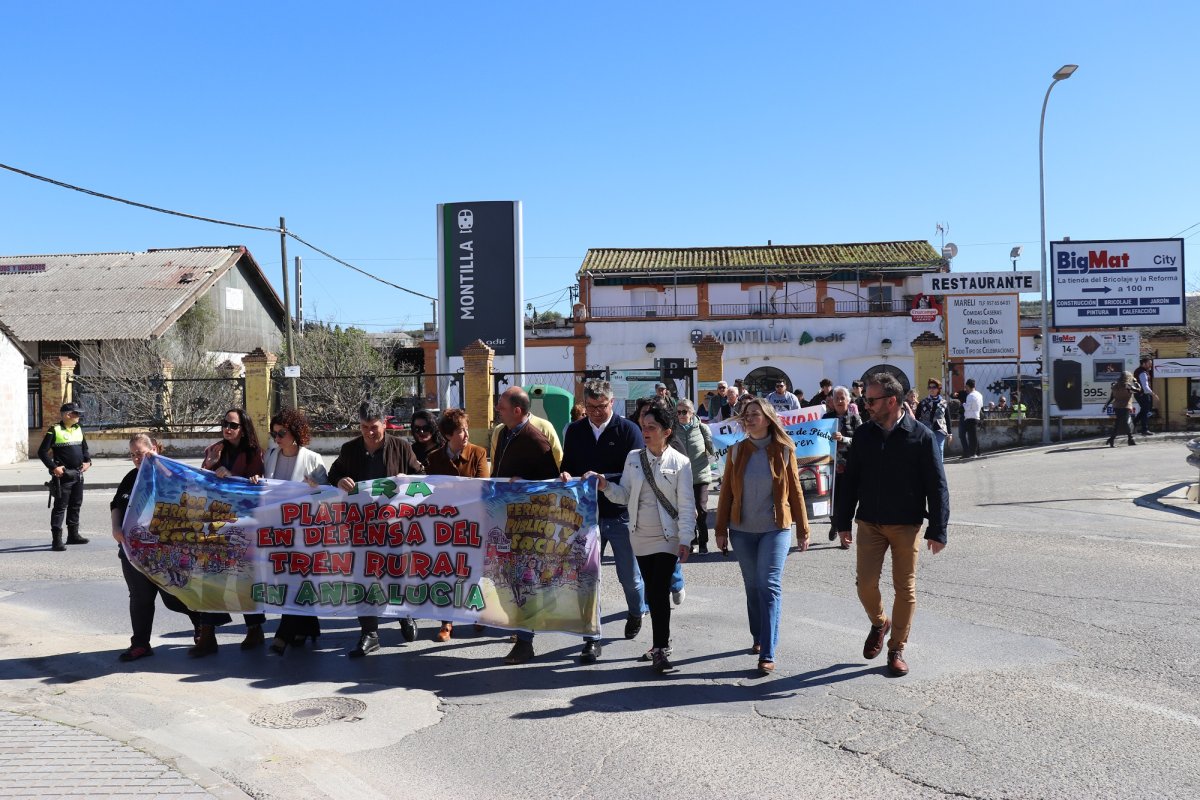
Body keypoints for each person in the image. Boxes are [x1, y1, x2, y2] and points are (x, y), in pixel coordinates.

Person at [835, 373, 949, 678]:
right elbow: (850, 480)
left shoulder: (921, 436)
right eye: (865, 399)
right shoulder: (863, 436)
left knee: (905, 588)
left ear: (891, 401)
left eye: (871, 400)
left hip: (906, 524)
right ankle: (879, 622)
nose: (866, 405)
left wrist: (938, 529)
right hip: (869, 521)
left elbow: (937, 485)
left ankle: (897, 648)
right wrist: (842, 520)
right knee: (866, 585)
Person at [592, 400, 696, 674]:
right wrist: (605, 486)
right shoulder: (633, 458)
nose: (646, 431)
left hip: (667, 536)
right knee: (652, 590)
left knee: (659, 591)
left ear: (667, 431)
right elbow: (625, 495)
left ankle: (661, 648)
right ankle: (660, 643)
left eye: (652, 427)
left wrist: (686, 538)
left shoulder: (681, 463)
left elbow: (686, 505)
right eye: (643, 426)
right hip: (639, 536)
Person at [714, 397, 810, 676]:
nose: (749, 418)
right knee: (752, 586)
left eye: (755, 414)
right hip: (741, 531)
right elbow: (726, 494)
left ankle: (768, 651)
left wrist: (803, 529)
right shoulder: (735, 451)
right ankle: (758, 636)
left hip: (775, 528)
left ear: (768, 419)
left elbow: (795, 491)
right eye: (746, 415)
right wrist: (720, 530)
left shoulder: (784, 450)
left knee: (769, 586)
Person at [556, 380, 646, 663]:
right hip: (585, 517)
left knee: (629, 576)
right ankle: (591, 638)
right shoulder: (574, 430)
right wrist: (566, 475)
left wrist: (603, 478)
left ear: (612, 403)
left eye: (602, 407)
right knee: (587, 578)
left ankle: (636, 609)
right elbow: (567, 464)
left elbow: (636, 473)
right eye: (591, 407)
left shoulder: (629, 431)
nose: (596, 413)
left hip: (620, 514)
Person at [328, 401, 425, 657]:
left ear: (384, 423)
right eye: (364, 427)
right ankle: (369, 633)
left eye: (374, 427)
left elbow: (422, 477)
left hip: (395, 527)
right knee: (363, 578)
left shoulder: (401, 447)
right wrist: (339, 479)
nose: (370, 432)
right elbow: (332, 474)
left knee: (399, 573)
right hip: (361, 528)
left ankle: (404, 614)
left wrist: (410, 480)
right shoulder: (349, 450)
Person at [111, 433, 198, 662]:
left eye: (140, 453)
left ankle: (203, 627)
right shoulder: (131, 477)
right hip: (133, 551)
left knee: (174, 596)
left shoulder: (171, 475)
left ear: (155, 449)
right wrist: (115, 527)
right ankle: (140, 644)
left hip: (166, 550)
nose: (137, 459)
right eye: (132, 455)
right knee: (140, 597)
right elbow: (116, 504)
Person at [492, 387, 562, 665]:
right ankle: (523, 630)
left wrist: (526, 486)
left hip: (527, 523)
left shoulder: (535, 438)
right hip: (505, 516)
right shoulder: (503, 432)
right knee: (509, 579)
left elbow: (552, 483)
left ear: (517, 410)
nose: (498, 410)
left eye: (502, 406)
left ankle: (525, 643)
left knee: (524, 580)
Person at [192, 408, 266, 657]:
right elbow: (201, 481)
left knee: (244, 577)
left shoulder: (254, 453)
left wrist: (234, 477)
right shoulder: (214, 449)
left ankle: (255, 629)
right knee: (210, 576)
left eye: (233, 425)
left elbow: (257, 486)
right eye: (225, 424)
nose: (228, 429)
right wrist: (212, 466)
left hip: (244, 523)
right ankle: (207, 635)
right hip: (216, 520)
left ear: (243, 428)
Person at [257, 409, 329, 656]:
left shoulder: (312, 459)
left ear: (295, 433)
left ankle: (283, 636)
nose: (277, 437)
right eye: (274, 433)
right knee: (287, 581)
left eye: (282, 433)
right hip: (277, 531)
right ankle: (309, 627)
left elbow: (328, 495)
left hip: (304, 531)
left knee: (297, 581)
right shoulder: (270, 456)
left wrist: (317, 487)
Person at [425, 408, 489, 642]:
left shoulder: (478, 453)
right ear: (448, 434)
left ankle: (478, 613)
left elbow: (481, 486)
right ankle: (447, 622)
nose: (466, 434)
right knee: (447, 573)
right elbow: (430, 492)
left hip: (473, 524)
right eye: (461, 430)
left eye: (467, 428)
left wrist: (450, 489)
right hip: (445, 526)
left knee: (473, 572)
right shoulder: (434, 458)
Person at [38, 402, 92, 551]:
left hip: (78, 474)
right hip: (63, 476)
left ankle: (73, 536)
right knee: (60, 508)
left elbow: (84, 448)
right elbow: (42, 452)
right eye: (76, 413)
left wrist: (88, 462)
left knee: (76, 504)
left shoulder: (78, 429)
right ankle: (57, 540)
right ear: (68, 415)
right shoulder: (54, 430)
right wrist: (54, 468)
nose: (79, 416)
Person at [670, 398, 716, 555]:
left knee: (701, 510)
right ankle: (692, 540)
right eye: (678, 412)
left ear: (692, 413)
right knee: (685, 511)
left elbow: (713, 450)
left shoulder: (703, 429)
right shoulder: (672, 430)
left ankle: (703, 542)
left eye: (684, 412)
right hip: (680, 477)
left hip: (700, 476)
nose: (681, 415)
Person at [823, 386, 861, 548]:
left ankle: (844, 535)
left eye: (842, 398)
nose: (839, 401)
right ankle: (835, 523)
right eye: (836, 398)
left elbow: (861, 441)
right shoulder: (826, 418)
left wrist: (844, 439)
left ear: (848, 400)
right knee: (832, 502)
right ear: (831, 400)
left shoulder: (855, 419)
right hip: (829, 467)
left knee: (846, 501)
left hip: (848, 466)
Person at [915, 378, 950, 461]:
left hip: (940, 430)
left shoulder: (944, 403)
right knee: (927, 451)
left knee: (939, 450)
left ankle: (939, 470)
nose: (931, 389)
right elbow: (916, 417)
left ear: (938, 389)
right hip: (926, 430)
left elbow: (947, 418)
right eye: (929, 387)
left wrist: (950, 433)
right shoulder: (923, 402)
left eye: (934, 387)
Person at [1105, 372, 1139, 448]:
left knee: (1120, 423)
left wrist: (1106, 405)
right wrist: (1136, 382)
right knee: (1124, 423)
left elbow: (1111, 397)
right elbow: (1138, 390)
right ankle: (1129, 439)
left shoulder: (1115, 386)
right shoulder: (1128, 386)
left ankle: (1127, 439)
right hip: (1125, 406)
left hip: (1116, 407)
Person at [1133, 356, 1157, 436]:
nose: (1150, 365)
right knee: (1145, 411)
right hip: (1143, 394)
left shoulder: (1138, 371)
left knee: (1143, 411)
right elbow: (1145, 387)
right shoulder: (1142, 373)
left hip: (1139, 394)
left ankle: (1132, 424)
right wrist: (1153, 394)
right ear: (1143, 364)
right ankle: (1144, 429)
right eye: (1149, 364)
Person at [961, 378, 983, 459]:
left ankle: (973, 454)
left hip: (970, 417)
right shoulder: (979, 395)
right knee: (975, 436)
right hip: (977, 416)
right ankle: (978, 452)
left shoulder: (970, 396)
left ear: (968, 386)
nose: (965, 389)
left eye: (966, 387)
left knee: (972, 437)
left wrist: (963, 404)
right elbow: (981, 406)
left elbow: (967, 408)